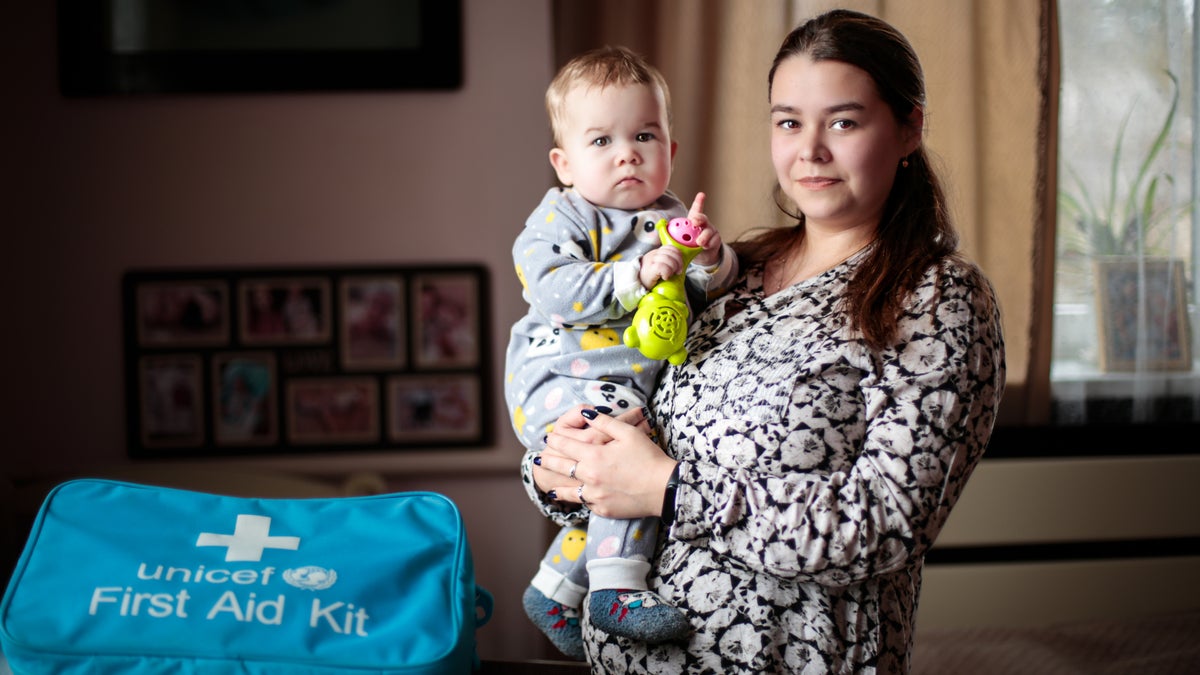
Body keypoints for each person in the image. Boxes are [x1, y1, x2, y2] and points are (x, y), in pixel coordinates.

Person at [527, 10, 1006, 673]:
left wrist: (668, 489)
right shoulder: (726, 270)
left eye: (843, 121)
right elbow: (615, 389)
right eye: (788, 121)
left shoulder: (937, 298)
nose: (809, 150)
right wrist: (559, 466)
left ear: (909, 128)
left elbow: (883, 525)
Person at [504, 45, 738, 659]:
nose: (627, 153)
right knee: (618, 456)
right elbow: (550, 287)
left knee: (624, 466)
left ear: (671, 151)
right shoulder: (563, 214)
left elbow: (709, 297)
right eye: (601, 141)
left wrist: (713, 259)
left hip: (623, 386)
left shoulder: (672, 218)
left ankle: (554, 588)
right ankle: (615, 588)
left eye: (644, 135)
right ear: (565, 163)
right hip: (558, 372)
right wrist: (631, 278)